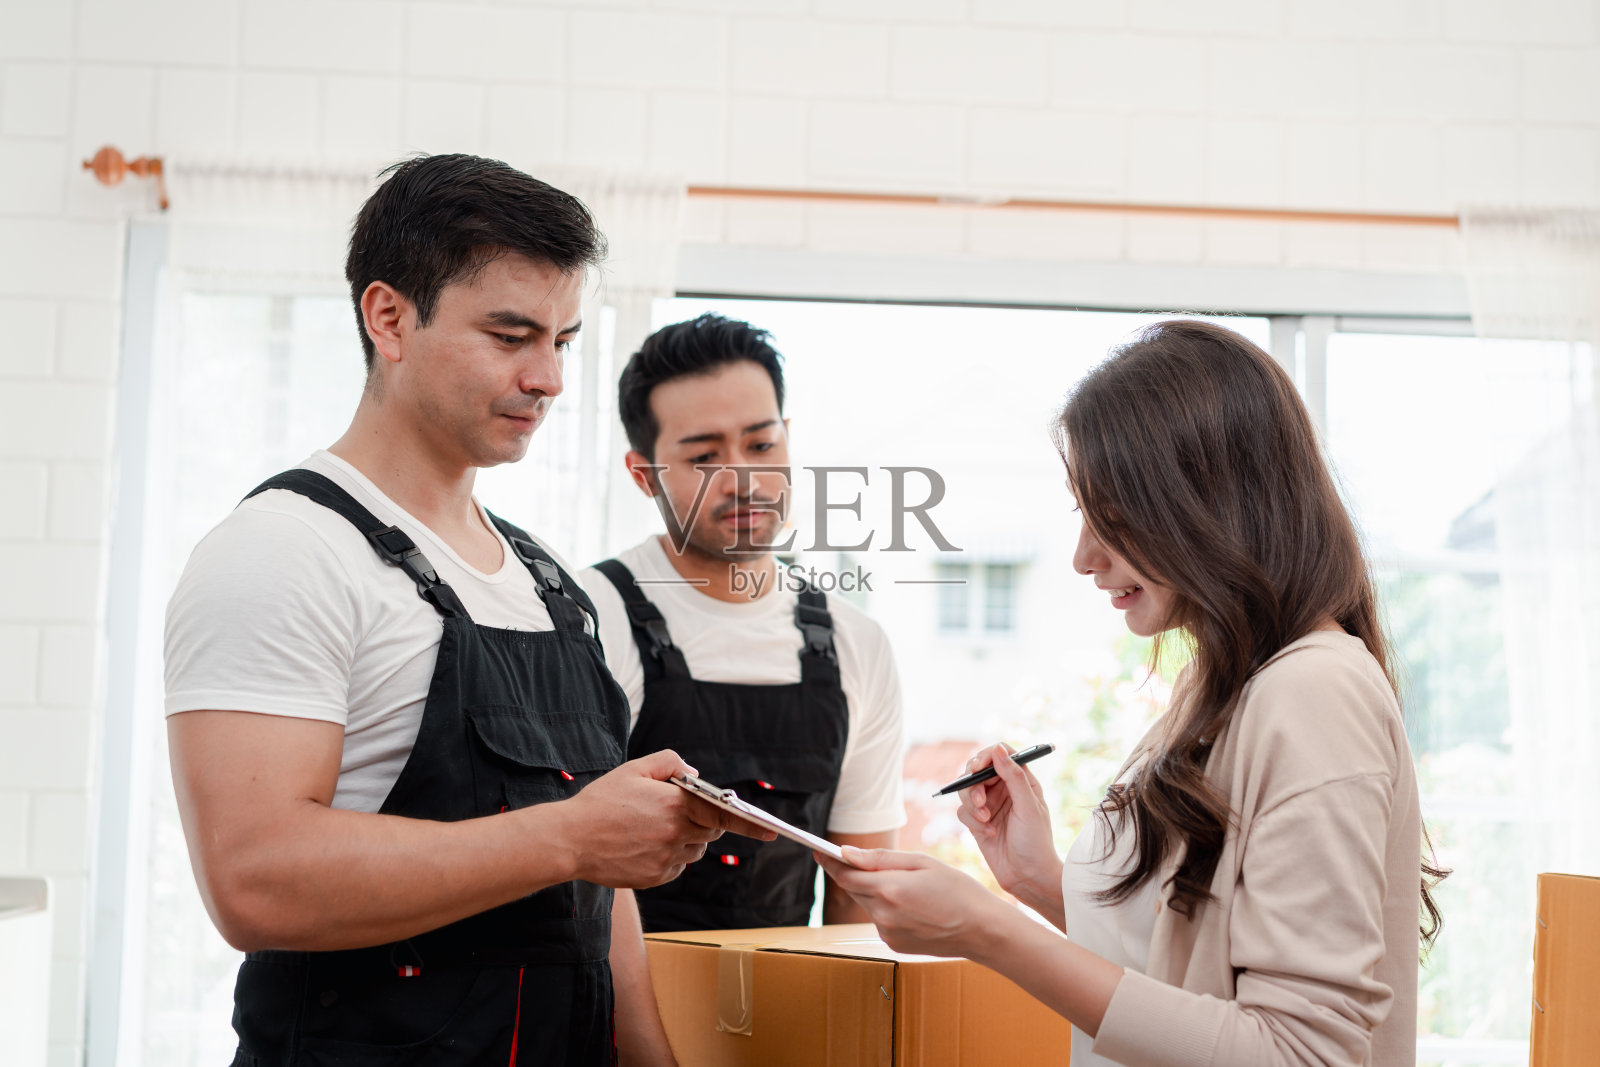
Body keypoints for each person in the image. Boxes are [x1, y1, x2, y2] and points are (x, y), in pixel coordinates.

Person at [164, 154, 767, 1066]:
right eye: (510, 334)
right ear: (389, 317)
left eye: (561, 341)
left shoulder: (555, 584)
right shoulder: (283, 552)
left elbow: (600, 907)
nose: (550, 379)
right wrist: (570, 834)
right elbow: (254, 881)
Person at [818, 320, 1442, 1066]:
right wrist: (1035, 879)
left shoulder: (1313, 691)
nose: (1084, 556)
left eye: (1110, 516)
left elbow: (1300, 1051)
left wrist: (989, 930)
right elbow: (1189, 973)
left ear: (1209, 501)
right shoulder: (1229, 687)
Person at [582, 313, 906, 932]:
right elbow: (569, 870)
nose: (743, 479)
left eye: (761, 445)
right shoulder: (587, 615)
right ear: (642, 473)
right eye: (704, 456)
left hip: (788, 1006)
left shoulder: (856, 642)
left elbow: (857, 889)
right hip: (605, 1011)